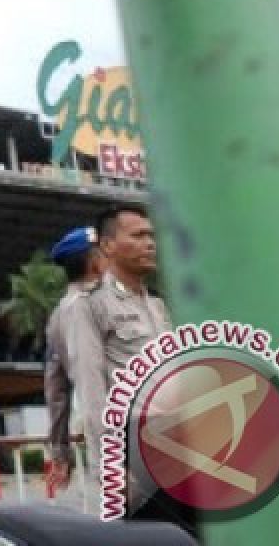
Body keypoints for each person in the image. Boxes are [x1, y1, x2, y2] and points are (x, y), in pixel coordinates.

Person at [65, 203, 191, 530]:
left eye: (151, 235)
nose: (150, 243)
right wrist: (110, 465)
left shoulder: (158, 305)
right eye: (138, 235)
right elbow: (92, 393)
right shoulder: (90, 305)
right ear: (108, 246)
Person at [42, 226, 105, 496]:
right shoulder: (88, 307)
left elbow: (55, 393)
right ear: (94, 263)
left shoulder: (58, 316)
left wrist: (60, 452)